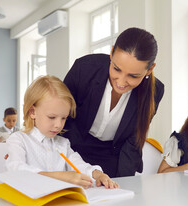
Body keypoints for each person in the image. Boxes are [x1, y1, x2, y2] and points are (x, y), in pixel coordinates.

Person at [63, 27, 164, 177]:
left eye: (133, 76)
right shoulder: (84, 68)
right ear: (111, 53)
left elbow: (133, 140)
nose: (121, 82)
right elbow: (62, 118)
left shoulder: (155, 91)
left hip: (112, 157)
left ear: (150, 70)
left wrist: (125, 182)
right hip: (72, 150)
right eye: (116, 69)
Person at [5, 75, 118, 189]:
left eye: (63, 118)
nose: (59, 125)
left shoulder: (63, 144)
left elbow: (79, 165)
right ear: (32, 112)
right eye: (52, 117)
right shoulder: (18, 139)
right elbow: (16, 169)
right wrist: (61, 177)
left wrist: (98, 174)